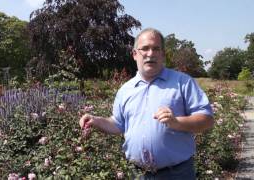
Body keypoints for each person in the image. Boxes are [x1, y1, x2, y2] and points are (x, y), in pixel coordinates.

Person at [79, 28, 214, 179]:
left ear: (163, 54)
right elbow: (118, 124)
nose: (150, 54)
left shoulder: (183, 82)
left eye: (156, 49)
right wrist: (96, 121)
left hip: (177, 174)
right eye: (145, 48)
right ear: (135, 54)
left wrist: (176, 122)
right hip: (138, 174)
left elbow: (207, 119)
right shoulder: (125, 90)